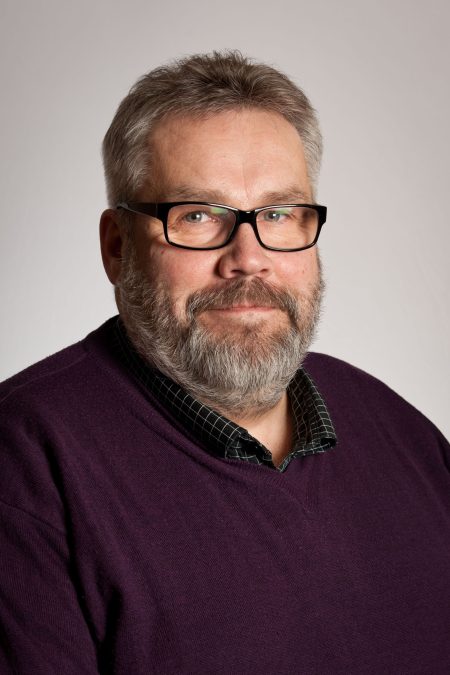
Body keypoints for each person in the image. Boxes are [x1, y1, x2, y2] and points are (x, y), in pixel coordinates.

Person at [0, 51, 449, 675]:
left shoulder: (403, 433)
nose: (248, 258)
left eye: (278, 214)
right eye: (197, 216)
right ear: (117, 247)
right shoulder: (25, 463)